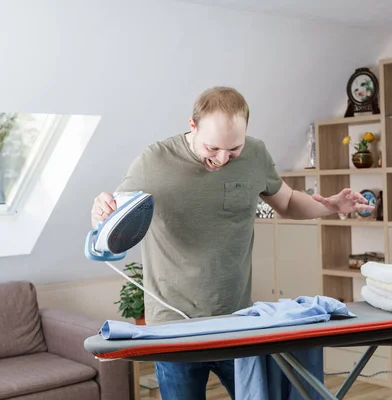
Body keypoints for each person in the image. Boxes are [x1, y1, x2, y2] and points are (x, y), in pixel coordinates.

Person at [91, 86, 374, 400]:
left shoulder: (255, 156)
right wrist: (100, 210)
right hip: (173, 327)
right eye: (212, 148)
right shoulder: (154, 162)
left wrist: (330, 206)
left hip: (237, 319)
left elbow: (289, 202)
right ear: (193, 125)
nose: (223, 159)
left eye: (233, 149)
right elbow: (110, 220)